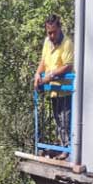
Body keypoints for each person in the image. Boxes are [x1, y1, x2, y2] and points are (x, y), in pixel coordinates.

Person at [33, 14, 74, 159]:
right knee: (58, 120)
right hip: (54, 91)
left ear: (59, 28)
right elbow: (43, 62)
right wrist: (38, 74)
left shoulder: (67, 43)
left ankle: (66, 150)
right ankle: (60, 148)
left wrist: (50, 76)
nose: (51, 35)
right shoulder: (47, 42)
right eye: (48, 32)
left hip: (65, 90)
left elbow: (68, 66)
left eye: (53, 32)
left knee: (65, 121)